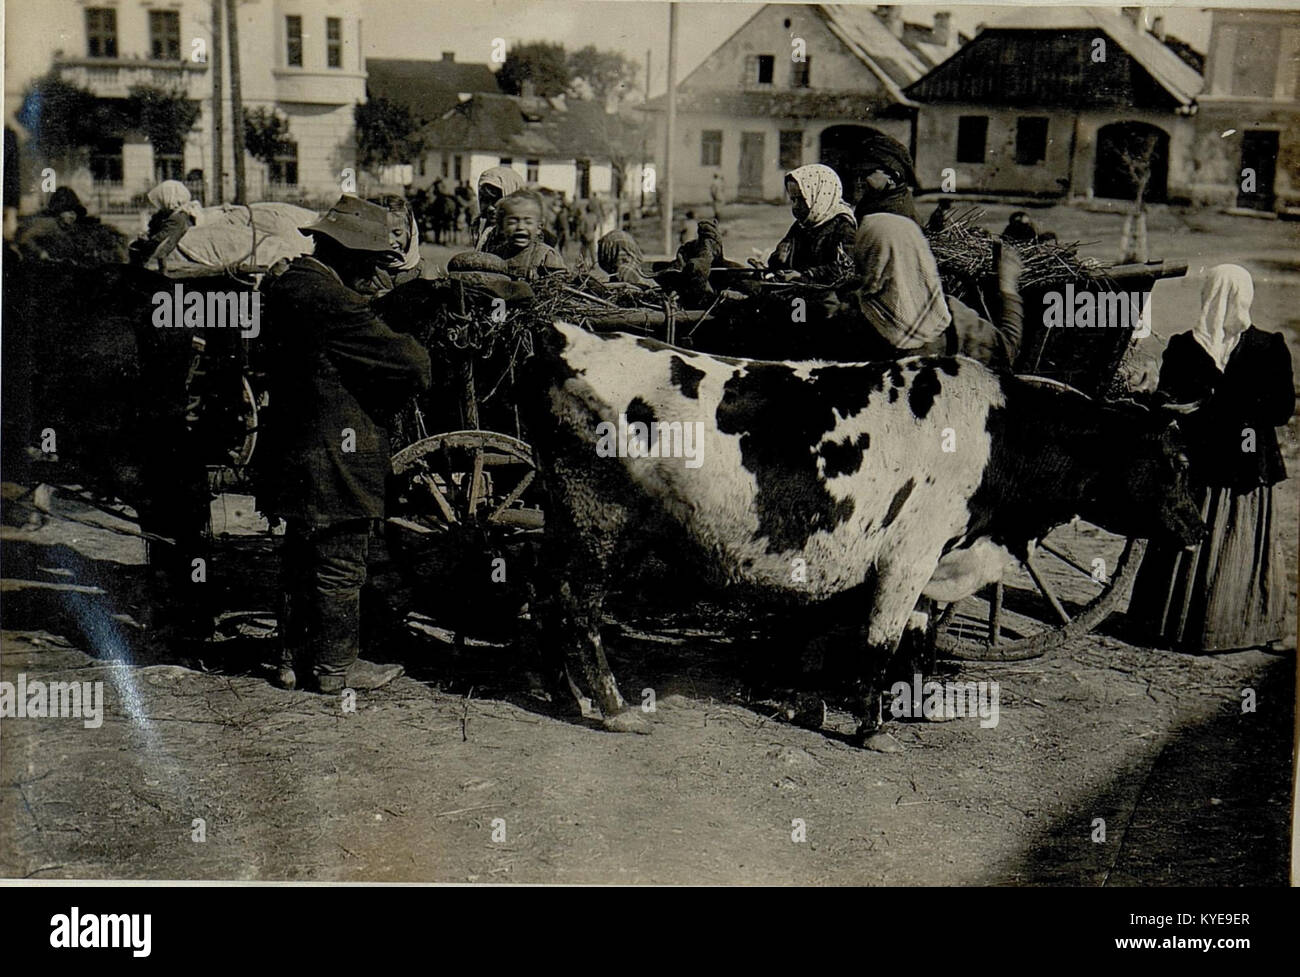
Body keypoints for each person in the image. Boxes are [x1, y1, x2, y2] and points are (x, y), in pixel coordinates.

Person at [258, 195, 432, 693]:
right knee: (340, 561)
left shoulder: (291, 283)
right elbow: (414, 366)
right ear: (349, 254)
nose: (375, 275)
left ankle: (290, 661)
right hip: (335, 452)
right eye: (373, 264)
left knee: (299, 555)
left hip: (291, 447)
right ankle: (336, 668)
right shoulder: (332, 300)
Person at [1128, 265, 1294, 652]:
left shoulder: (1268, 346)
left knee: (1234, 542)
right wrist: (1166, 400)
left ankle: (1227, 628)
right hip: (1200, 462)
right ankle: (1178, 626)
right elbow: (1168, 399)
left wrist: (1217, 406)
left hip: (1244, 466)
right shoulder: (1184, 346)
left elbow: (1280, 409)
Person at [768, 164, 857, 284]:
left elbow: (845, 269)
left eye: (802, 199)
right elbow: (781, 260)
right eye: (793, 200)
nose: (796, 206)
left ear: (819, 196)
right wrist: (779, 257)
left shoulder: (842, 227)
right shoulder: (801, 225)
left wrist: (805, 275)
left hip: (826, 294)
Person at [486, 190, 567, 279]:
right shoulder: (496, 255)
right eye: (512, 222)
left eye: (528, 222)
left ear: (539, 227)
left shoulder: (546, 256)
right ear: (501, 227)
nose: (520, 227)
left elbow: (560, 285)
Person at [130, 180, 205, 269]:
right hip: (166, 254)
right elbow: (156, 226)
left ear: (168, 198)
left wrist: (147, 239)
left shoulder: (179, 217)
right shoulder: (170, 212)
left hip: (172, 260)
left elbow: (163, 237)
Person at [852, 131, 920, 225]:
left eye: (868, 172)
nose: (861, 179)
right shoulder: (872, 201)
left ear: (893, 176)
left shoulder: (896, 213)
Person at [474, 165, 525, 249]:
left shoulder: (523, 239)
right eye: (485, 200)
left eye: (496, 200)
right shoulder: (486, 233)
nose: (490, 208)